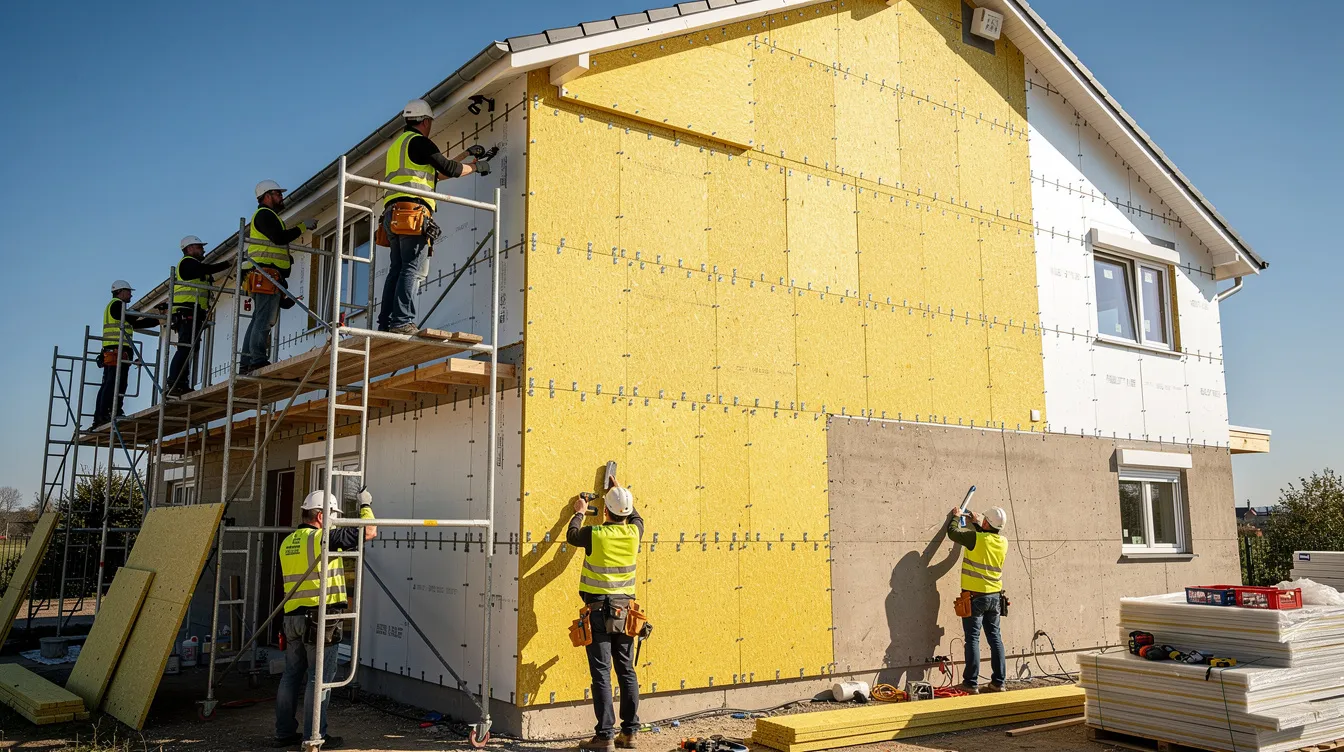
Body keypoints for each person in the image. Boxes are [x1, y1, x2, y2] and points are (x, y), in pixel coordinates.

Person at [274, 488, 378, 749]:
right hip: (319, 619)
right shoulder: (322, 538)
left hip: (292, 618)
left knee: (290, 676)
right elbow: (369, 532)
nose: (335, 521)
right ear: (320, 516)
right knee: (318, 680)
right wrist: (364, 505)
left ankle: (284, 733)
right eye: (333, 516)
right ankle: (314, 736)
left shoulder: (288, 542)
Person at [376, 98, 484, 334]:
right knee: (411, 269)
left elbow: (435, 174)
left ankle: (386, 323)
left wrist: (466, 155)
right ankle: (403, 321)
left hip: (392, 215)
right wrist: (476, 167)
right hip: (412, 213)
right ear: (425, 121)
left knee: (397, 268)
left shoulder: (399, 145)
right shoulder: (419, 142)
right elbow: (450, 169)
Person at [567, 479, 643, 751]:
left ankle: (606, 737)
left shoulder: (595, 533)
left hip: (598, 612)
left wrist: (579, 509)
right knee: (626, 670)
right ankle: (630, 733)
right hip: (626, 613)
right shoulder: (635, 533)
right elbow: (636, 516)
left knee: (601, 673)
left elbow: (572, 536)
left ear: (606, 512)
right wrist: (619, 491)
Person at [240, 180, 315, 374]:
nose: (281, 197)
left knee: (258, 318)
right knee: (264, 320)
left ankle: (247, 363)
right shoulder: (265, 214)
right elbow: (279, 237)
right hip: (265, 274)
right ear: (266, 196)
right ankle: (256, 360)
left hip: (266, 275)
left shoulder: (266, 216)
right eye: (277, 194)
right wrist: (302, 227)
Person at [947, 505, 1009, 694]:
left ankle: (971, 683)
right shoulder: (1003, 541)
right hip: (995, 597)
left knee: (972, 639)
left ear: (986, 522)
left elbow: (953, 533)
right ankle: (999, 683)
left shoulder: (975, 538)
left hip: (975, 597)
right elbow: (985, 537)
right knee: (995, 639)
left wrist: (956, 517)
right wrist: (977, 522)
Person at [165, 235, 231, 396]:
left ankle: (181, 382)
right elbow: (203, 270)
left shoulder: (194, 265)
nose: (203, 250)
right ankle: (174, 382)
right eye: (199, 247)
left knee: (189, 348)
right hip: (186, 311)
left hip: (194, 312)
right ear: (189, 249)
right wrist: (227, 263)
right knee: (185, 347)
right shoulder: (188, 263)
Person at [93, 280, 161, 427]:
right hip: (116, 350)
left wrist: (157, 321)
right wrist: (140, 313)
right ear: (120, 292)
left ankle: (112, 411)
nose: (131, 295)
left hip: (118, 350)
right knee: (112, 383)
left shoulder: (119, 308)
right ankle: (103, 415)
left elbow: (134, 324)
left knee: (117, 383)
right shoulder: (117, 305)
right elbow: (131, 318)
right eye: (129, 291)